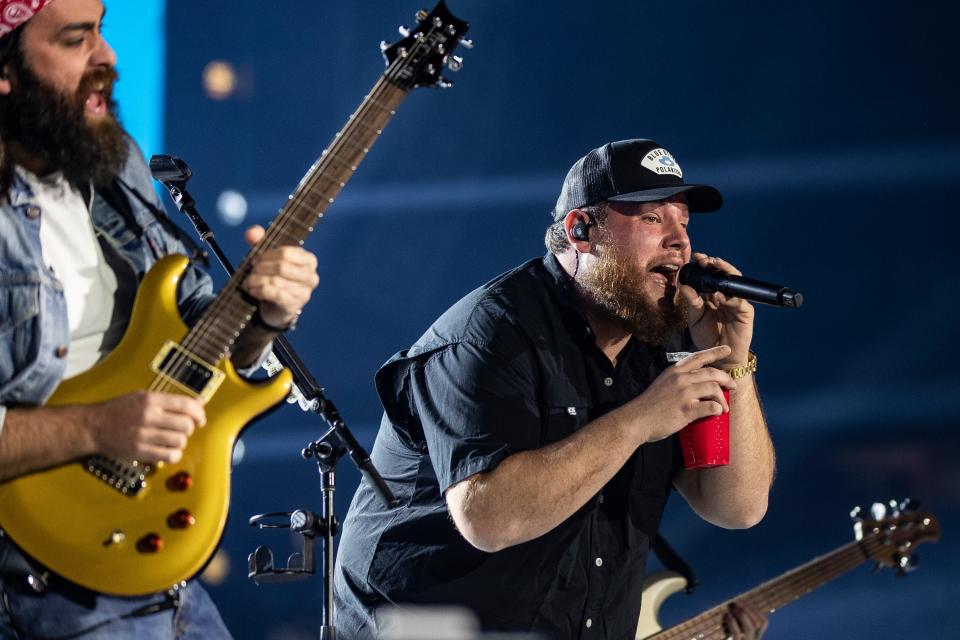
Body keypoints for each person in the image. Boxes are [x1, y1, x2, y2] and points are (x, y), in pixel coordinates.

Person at [334, 138, 775, 639]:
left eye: (685, 222)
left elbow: (736, 508)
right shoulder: (490, 334)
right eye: (653, 219)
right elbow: (489, 519)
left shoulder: (665, 342)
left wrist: (733, 359)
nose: (680, 243)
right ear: (581, 231)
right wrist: (638, 420)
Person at [0, 0, 320, 637]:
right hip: (34, 583)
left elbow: (199, 343)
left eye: (103, 30)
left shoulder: (113, 165)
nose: (107, 56)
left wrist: (262, 315)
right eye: (75, 39)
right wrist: (97, 428)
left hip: (159, 574)